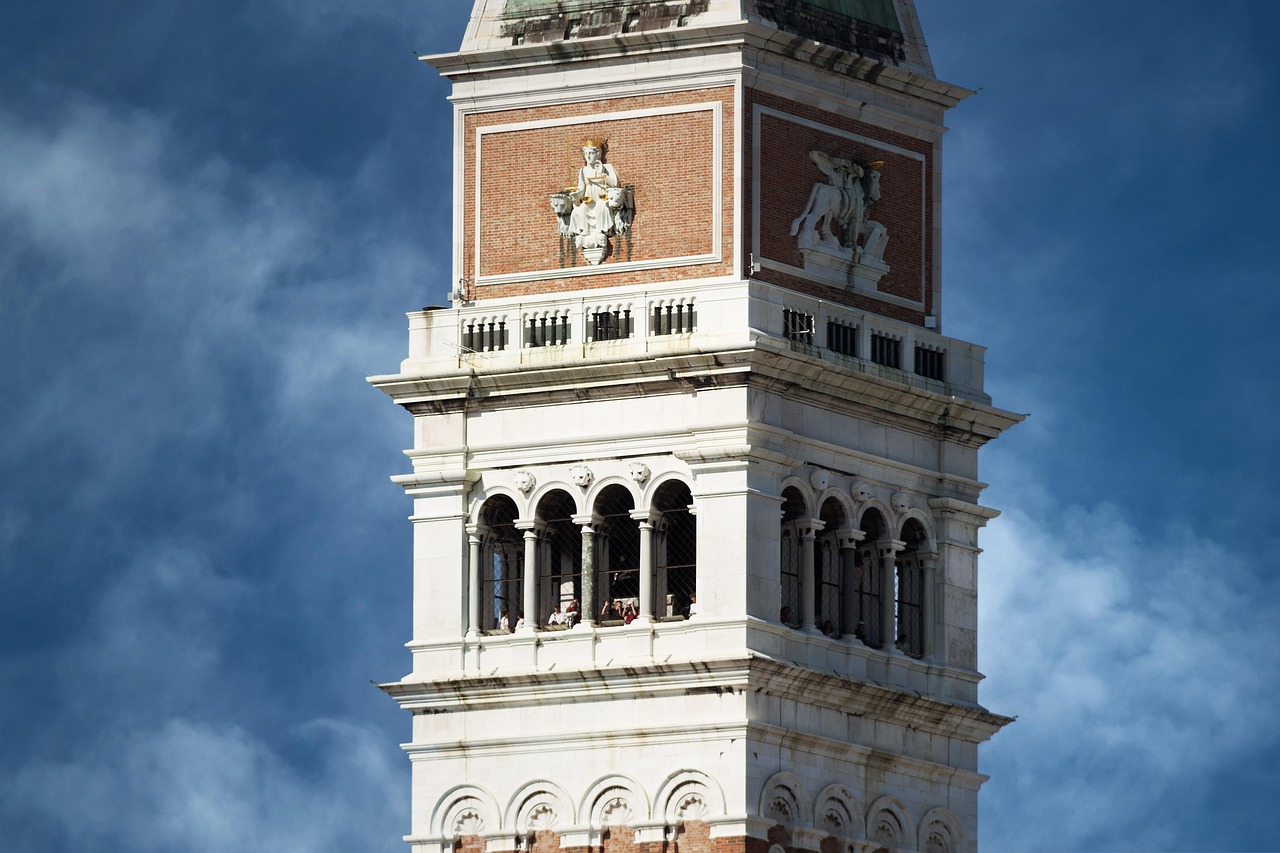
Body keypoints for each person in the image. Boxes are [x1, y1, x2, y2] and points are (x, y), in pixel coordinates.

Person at [568, 139, 620, 238]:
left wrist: (602, 174)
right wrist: (575, 195)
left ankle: (599, 230)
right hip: (590, 200)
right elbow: (581, 189)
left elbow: (615, 184)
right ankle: (585, 230)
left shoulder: (607, 167)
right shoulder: (583, 171)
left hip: (602, 198)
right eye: (586, 153)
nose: (588, 156)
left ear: (598, 154)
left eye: (591, 153)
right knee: (581, 208)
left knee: (602, 207)